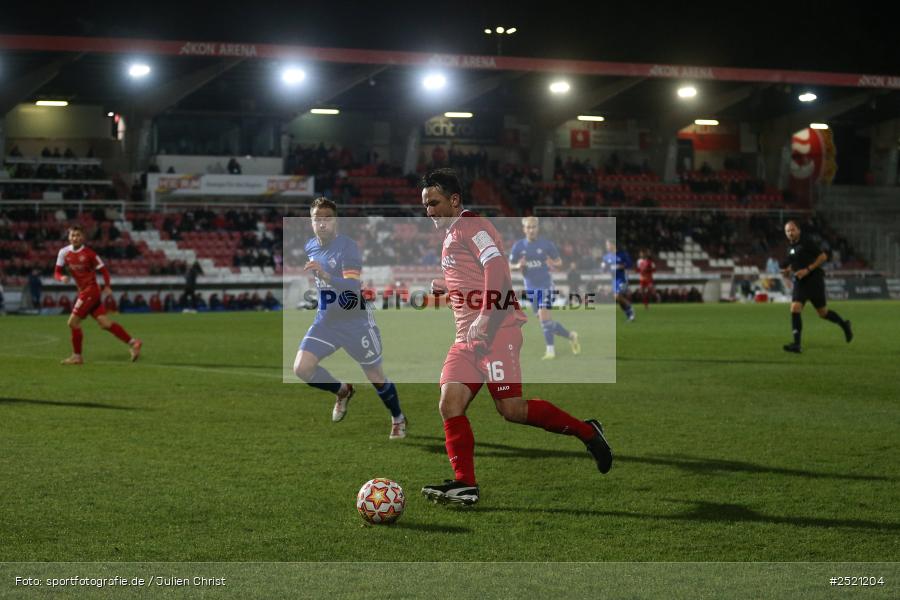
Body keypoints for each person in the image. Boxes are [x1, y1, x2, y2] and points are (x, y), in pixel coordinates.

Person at [419, 169, 612, 506]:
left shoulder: (472, 226)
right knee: (449, 404)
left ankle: (588, 432)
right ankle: (465, 484)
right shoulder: (452, 234)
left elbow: (496, 269)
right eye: (425, 205)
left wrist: (484, 315)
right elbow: (474, 279)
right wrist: (446, 286)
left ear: (454, 200)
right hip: (467, 337)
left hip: (496, 330)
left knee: (511, 409)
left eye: (434, 203)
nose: (429, 211)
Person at [292, 197, 407, 440]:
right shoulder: (310, 246)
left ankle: (398, 418)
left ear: (336, 222)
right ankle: (342, 390)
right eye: (317, 219)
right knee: (302, 368)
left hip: (355, 321)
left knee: (375, 377)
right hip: (326, 321)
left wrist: (325, 275)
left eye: (327, 218)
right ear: (311, 222)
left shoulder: (347, 247)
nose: (321, 223)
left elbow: (353, 286)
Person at [54, 225, 142, 365]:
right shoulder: (63, 253)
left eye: (78, 235)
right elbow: (56, 272)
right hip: (84, 291)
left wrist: (107, 286)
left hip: (91, 291)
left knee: (73, 322)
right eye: (72, 235)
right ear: (69, 237)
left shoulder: (90, 254)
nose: (75, 238)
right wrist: (61, 278)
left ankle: (77, 356)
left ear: (83, 237)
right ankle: (134, 343)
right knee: (104, 323)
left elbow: (104, 271)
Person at [509, 216, 580, 360]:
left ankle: (550, 351)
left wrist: (552, 263)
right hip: (530, 289)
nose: (531, 230)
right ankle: (571, 335)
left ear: (537, 228)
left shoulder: (547, 245)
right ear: (524, 229)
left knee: (544, 315)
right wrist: (518, 266)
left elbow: (559, 262)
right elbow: (509, 265)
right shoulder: (518, 247)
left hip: (546, 285)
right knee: (545, 322)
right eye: (528, 227)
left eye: (533, 227)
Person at [780, 221, 852, 353]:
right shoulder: (790, 247)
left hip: (814, 280)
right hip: (800, 281)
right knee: (795, 308)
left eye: (792, 230)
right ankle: (797, 344)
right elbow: (793, 263)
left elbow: (823, 256)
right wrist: (788, 271)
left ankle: (844, 324)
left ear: (798, 230)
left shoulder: (807, 242)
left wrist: (808, 269)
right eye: (787, 231)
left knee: (823, 313)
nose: (790, 233)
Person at [602, 240, 635, 321]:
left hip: (622, 279)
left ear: (613, 245)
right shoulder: (606, 257)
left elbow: (630, 264)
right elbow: (604, 270)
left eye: (608, 245)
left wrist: (622, 266)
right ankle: (629, 314)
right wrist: (604, 267)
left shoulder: (623, 254)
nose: (606, 247)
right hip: (614, 280)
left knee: (617, 296)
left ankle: (630, 308)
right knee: (617, 298)